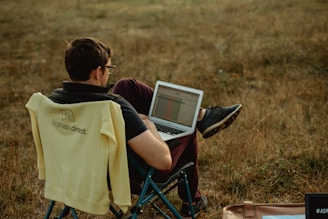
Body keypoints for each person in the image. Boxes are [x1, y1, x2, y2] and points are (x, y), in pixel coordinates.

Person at [48, 37, 242, 217]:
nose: (109, 73)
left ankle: (201, 115)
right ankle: (193, 198)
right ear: (98, 72)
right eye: (109, 68)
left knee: (126, 85)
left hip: (79, 170)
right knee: (188, 125)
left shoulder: (51, 103)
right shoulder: (114, 108)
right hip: (131, 175)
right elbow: (162, 161)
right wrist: (147, 124)